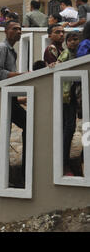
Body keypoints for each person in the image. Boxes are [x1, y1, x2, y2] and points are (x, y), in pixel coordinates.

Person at [0, 20, 26, 184]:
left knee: (23, 126)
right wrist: (21, 75)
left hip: (10, 98)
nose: (18, 31)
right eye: (14, 29)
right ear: (6, 31)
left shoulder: (12, 51)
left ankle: (16, 173)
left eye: (20, 29)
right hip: (0, 97)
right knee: (4, 133)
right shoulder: (2, 48)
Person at [56, 31, 80, 176]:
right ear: (66, 42)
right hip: (66, 95)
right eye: (70, 40)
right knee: (69, 126)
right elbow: (58, 63)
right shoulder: (65, 54)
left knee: (70, 126)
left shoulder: (78, 54)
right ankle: (64, 161)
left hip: (71, 94)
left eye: (76, 39)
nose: (73, 42)